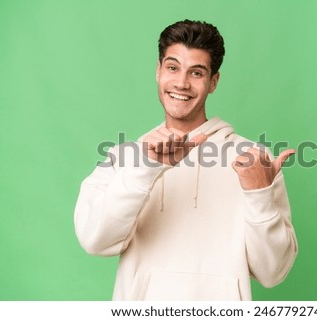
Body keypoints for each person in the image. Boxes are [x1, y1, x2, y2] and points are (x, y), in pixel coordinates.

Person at [74, 19, 298, 301]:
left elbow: (273, 272)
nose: (181, 82)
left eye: (196, 72)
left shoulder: (254, 162)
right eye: (172, 67)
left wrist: (260, 194)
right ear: (158, 71)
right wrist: (145, 168)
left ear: (213, 82)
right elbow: (95, 240)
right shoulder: (124, 157)